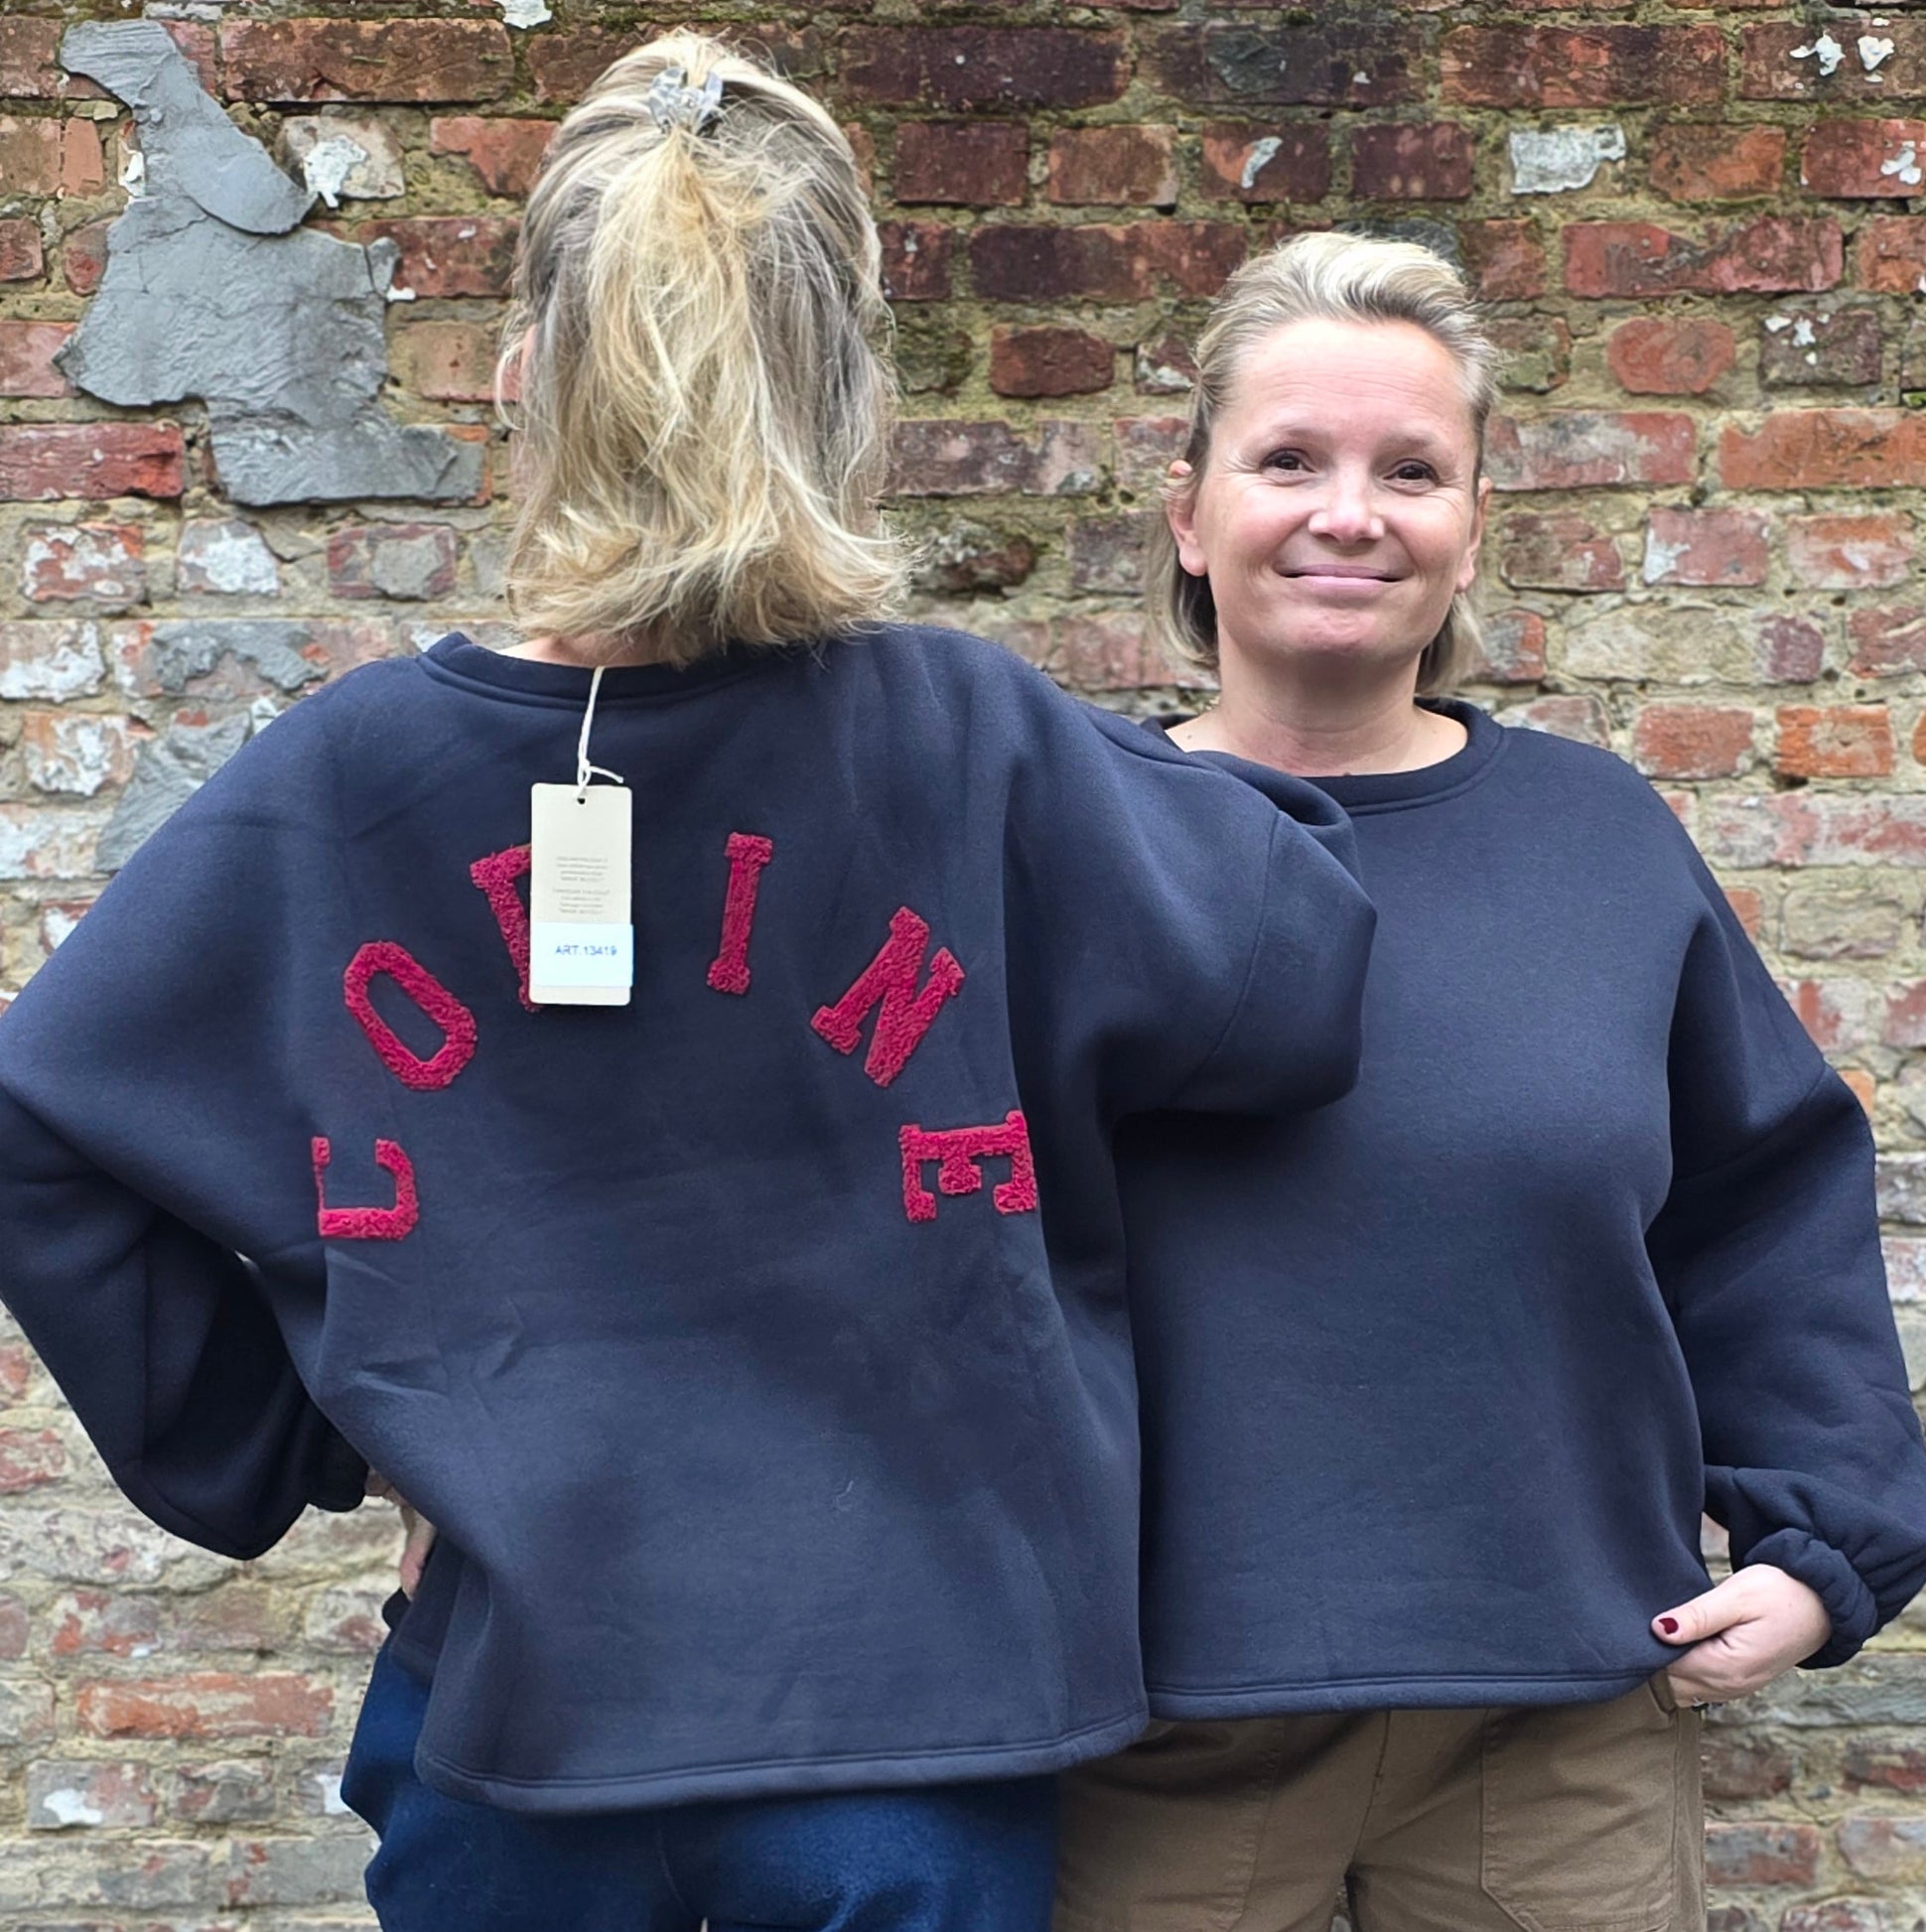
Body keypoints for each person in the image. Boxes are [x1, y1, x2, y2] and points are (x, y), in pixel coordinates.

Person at [0, 37, 1380, 1932]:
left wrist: (302, 1435)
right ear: (844, 391)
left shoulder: (341, 782)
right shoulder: (969, 740)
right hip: (910, 1735)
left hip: (514, 1712)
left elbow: (42, 1122)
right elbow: (1297, 976)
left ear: (521, 373)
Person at [1052, 230, 1926, 1932]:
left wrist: (1823, 1544)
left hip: (1557, 1725)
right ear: (1187, 513)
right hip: (1152, 1720)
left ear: (1470, 528)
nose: (1349, 513)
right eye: (1286, 460)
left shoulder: (1594, 838)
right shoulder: (1068, 833)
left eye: (1411, 470)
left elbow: (1762, 1201)